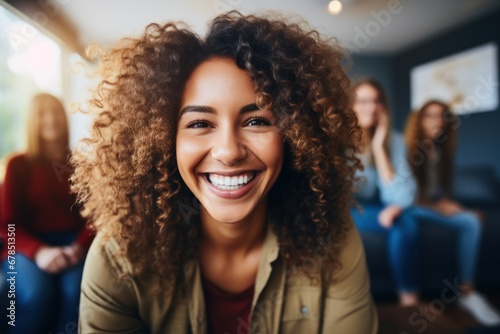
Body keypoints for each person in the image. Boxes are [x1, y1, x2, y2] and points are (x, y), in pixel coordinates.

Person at [71, 11, 378, 333]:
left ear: (294, 135)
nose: (229, 152)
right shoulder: (118, 256)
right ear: (163, 141)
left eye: (257, 121)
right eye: (200, 124)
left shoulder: (333, 240)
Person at [0, 93, 94, 333]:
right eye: (43, 113)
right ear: (33, 121)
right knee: (36, 294)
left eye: (56, 112)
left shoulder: (81, 164)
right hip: (22, 246)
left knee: (77, 293)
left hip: (72, 245)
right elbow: (6, 225)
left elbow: (96, 213)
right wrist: (39, 252)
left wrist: (78, 247)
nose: (51, 119)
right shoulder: (17, 165)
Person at [405, 100, 500, 326]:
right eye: (431, 116)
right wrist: (437, 207)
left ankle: (467, 293)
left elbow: (440, 192)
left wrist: (457, 207)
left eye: (442, 116)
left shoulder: (441, 150)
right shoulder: (406, 147)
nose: (438, 122)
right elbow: (404, 196)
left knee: (470, 221)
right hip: (406, 206)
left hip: (427, 204)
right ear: (419, 120)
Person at [351, 78, 420, 306]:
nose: (370, 107)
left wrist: (380, 148)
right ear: (350, 105)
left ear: (383, 105)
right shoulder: (338, 141)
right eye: (362, 101)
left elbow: (401, 195)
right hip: (346, 209)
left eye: (376, 101)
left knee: (405, 220)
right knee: (403, 221)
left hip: (378, 207)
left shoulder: (396, 140)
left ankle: (408, 299)